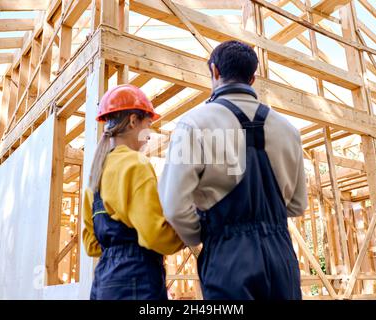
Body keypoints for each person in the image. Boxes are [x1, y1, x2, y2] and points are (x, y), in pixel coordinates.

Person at [159, 40, 307, 299]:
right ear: (252, 78)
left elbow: (173, 205)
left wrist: (202, 235)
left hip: (228, 256)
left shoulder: (194, 124)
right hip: (280, 255)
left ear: (215, 71)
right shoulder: (289, 130)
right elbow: (296, 206)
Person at [82, 84, 183, 300]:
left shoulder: (95, 174)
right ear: (133, 121)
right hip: (136, 279)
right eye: (148, 124)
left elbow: (91, 244)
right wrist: (187, 232)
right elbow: (156, 236)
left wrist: (118, 249)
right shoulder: (135, 164)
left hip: (104, 282)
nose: (149, 135)